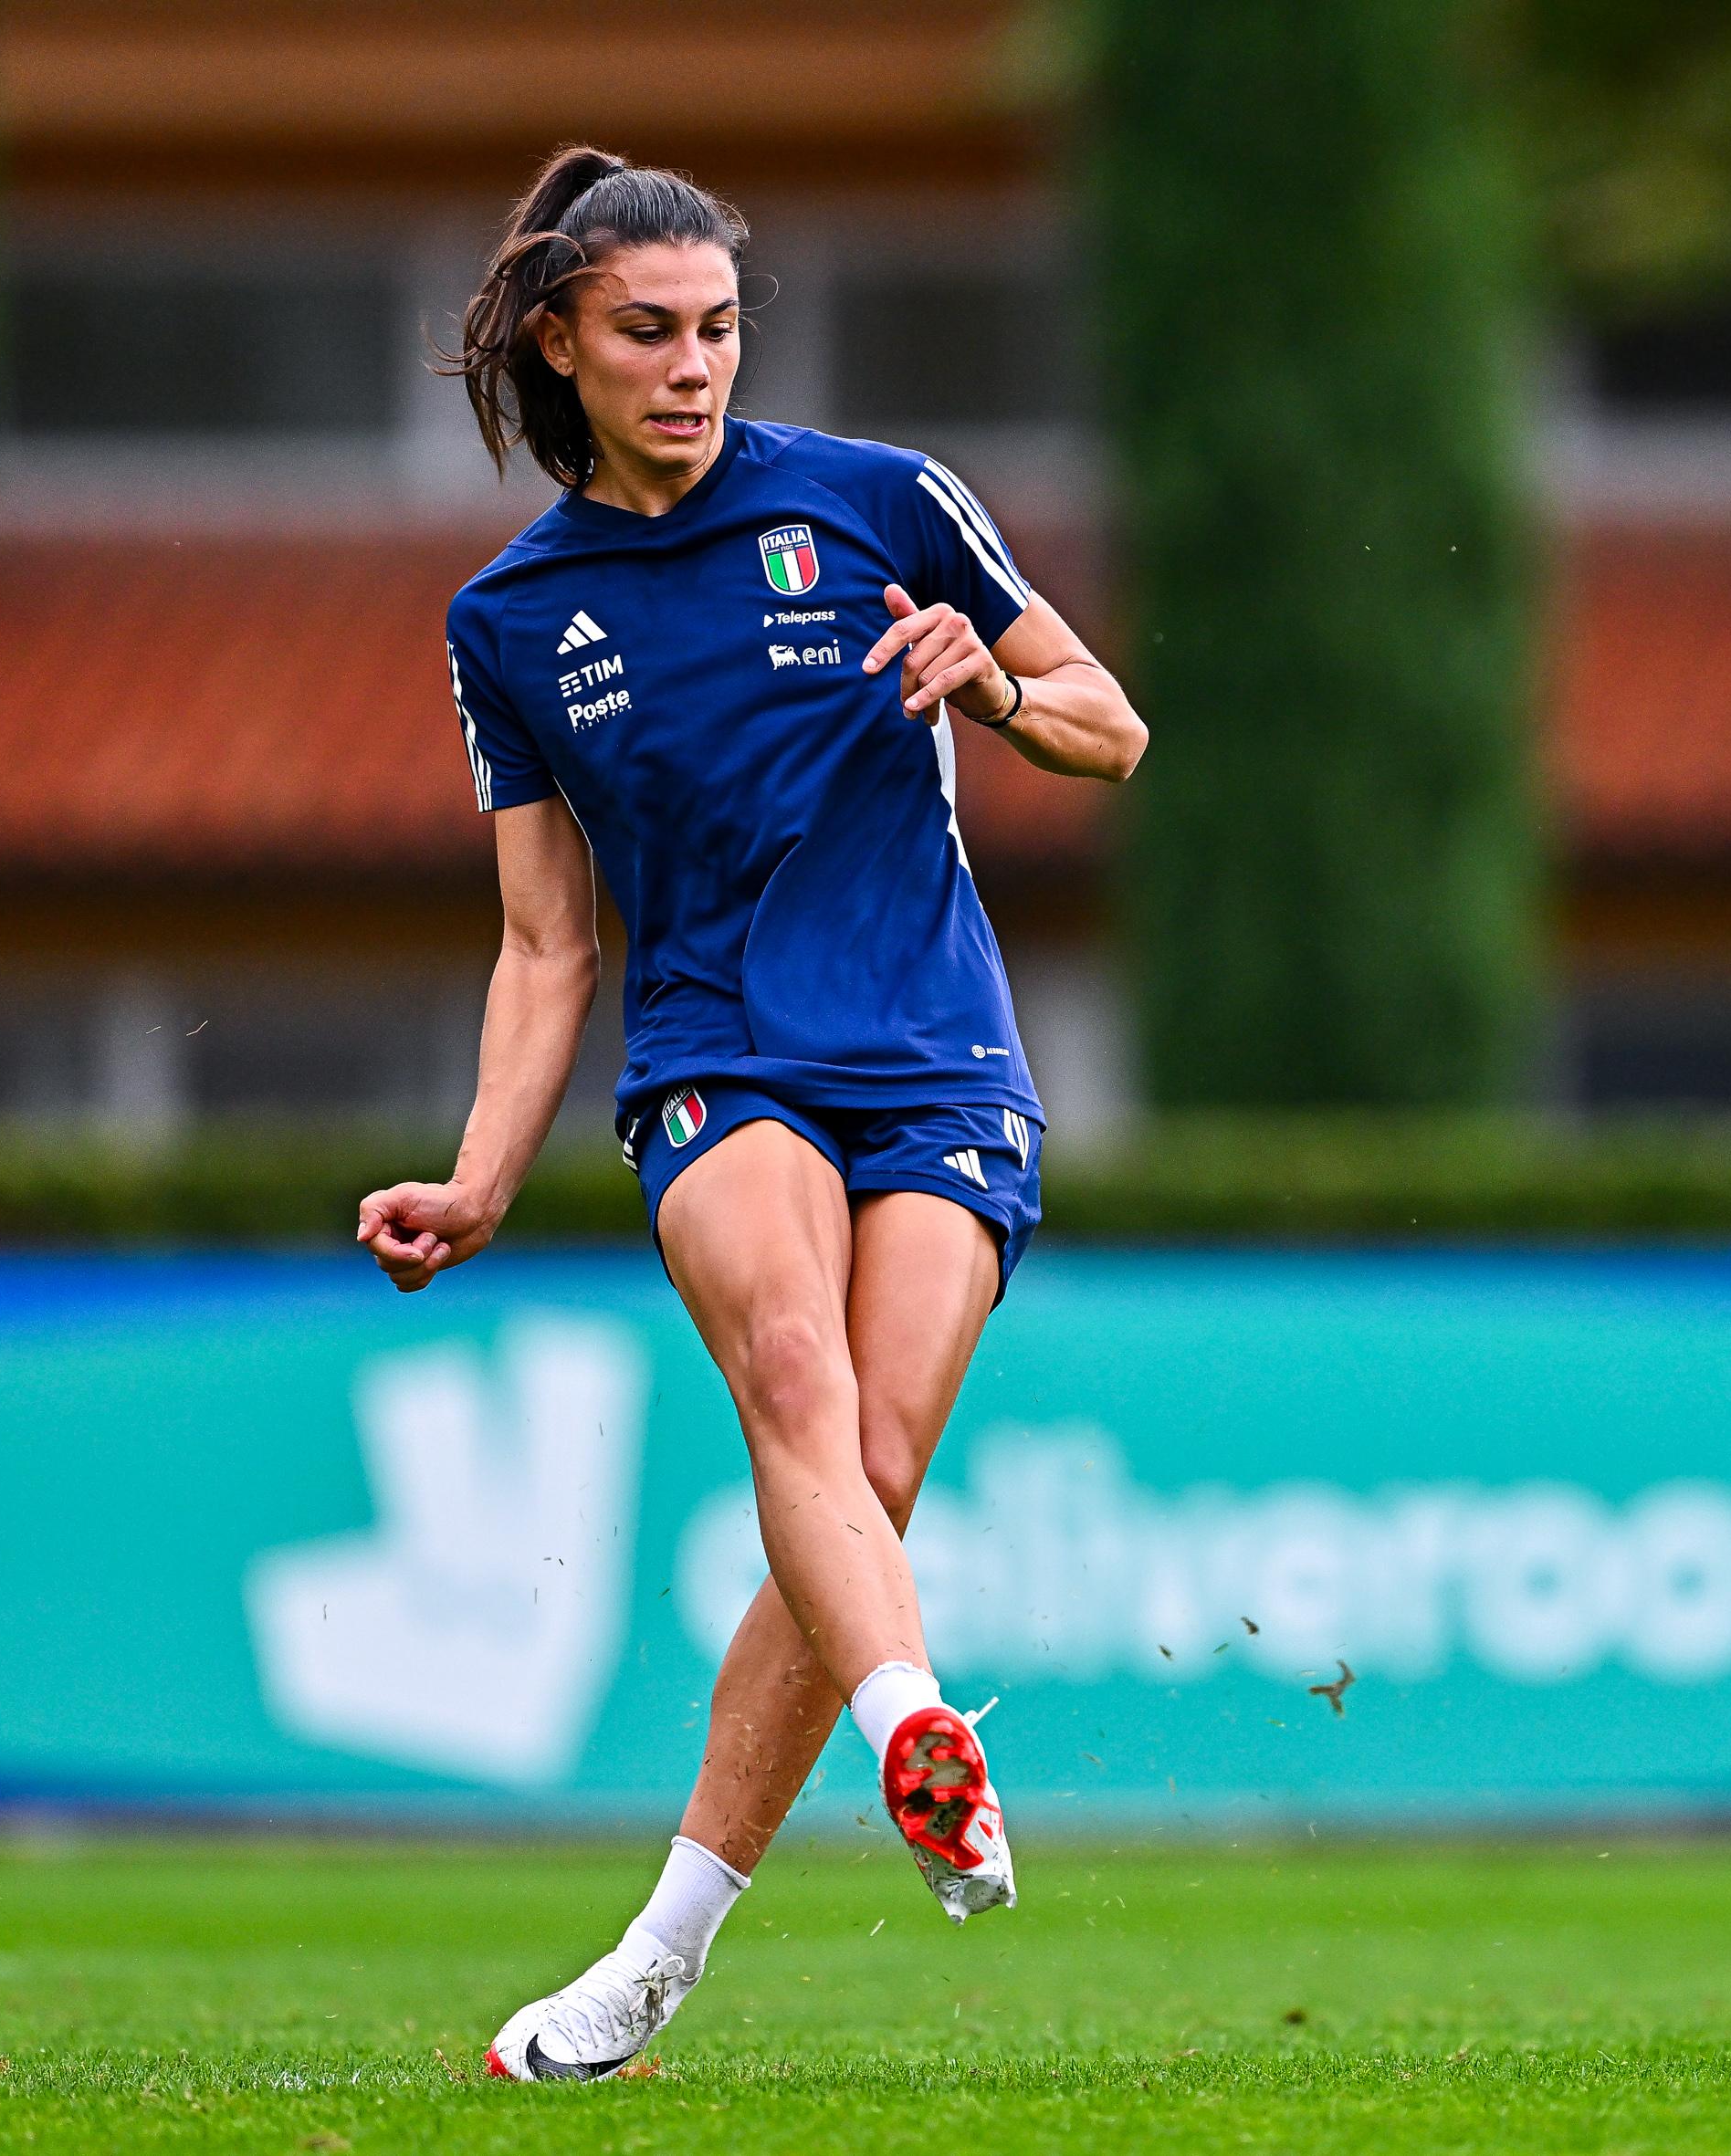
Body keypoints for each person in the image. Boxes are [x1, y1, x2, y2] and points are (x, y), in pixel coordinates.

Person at [352, 146, 1146, 2082]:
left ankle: (653, 1958)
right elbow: (548, 947)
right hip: (717, 1053)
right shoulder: (515, 621)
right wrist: (474, 1173)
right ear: (561, 343)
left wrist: (991, 688)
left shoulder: (881, 502)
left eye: (715, 327)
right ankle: (914, 1736)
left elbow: (1109, 726)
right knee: (791, 1383)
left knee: (861, 1472)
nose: (692, 365)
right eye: (648, 332)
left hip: (939, 1058)